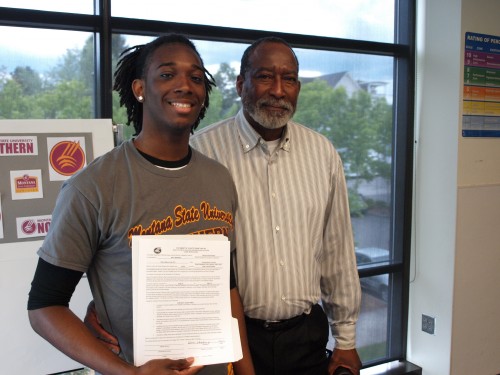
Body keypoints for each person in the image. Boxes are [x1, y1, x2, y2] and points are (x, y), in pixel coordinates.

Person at [86, 36, 362, 375]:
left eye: (288, 79)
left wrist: (346, 339)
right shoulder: (200, 154)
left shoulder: (322, 154)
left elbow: (337, 251)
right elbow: (159, 241)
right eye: (264, 76)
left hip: (306, 338)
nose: (278, 89)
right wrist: (109, 305)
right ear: (240, 84)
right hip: (224, 340)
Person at [27, 34, 254, 375]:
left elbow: (227, 290)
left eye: (196, 77)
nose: (185, 86)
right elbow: (44, 308)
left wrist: (246, 371)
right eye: (167, 74)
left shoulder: (219, 179)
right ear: (139, 89)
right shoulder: (93, 187)